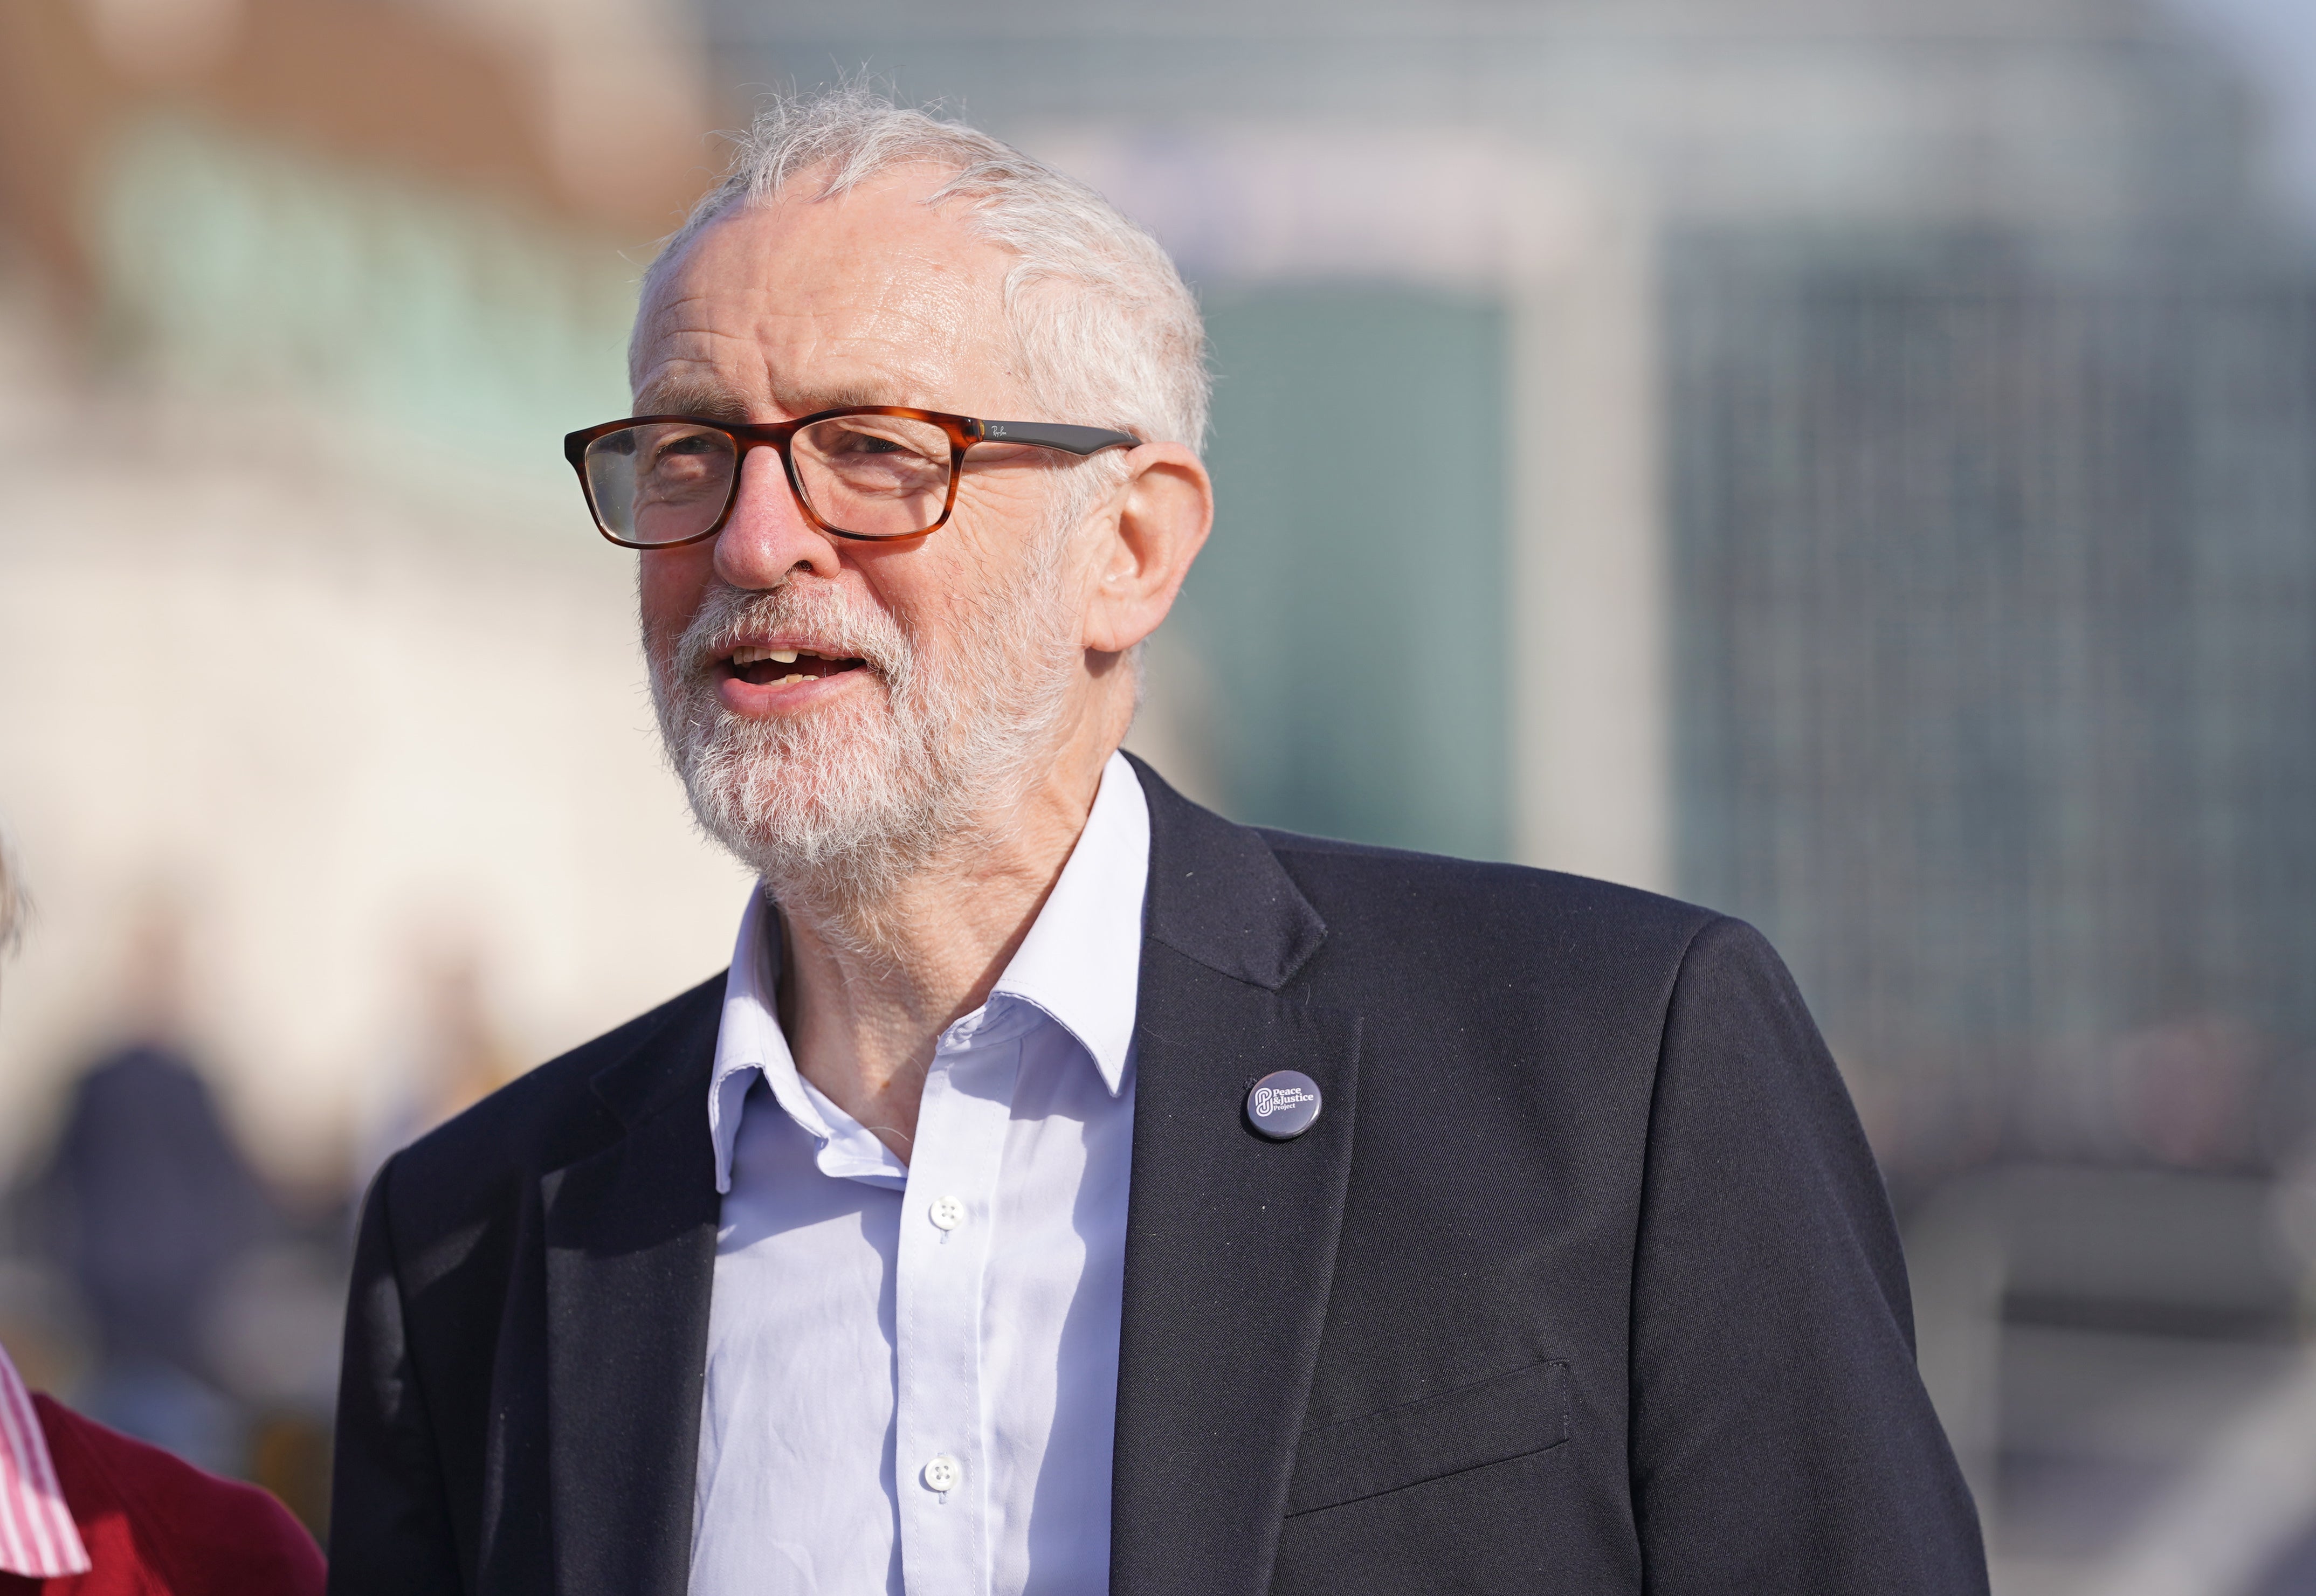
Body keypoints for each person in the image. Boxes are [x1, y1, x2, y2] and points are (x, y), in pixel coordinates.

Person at [328, 88, 1987, 1595]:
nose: (758, 539)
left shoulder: (1611, 1071)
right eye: (691, 450)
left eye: (874, 453)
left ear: (1127, 545)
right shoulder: (477, 1242)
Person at [0, 835, 324, 1595]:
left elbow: (241, 1191)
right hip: (111, 1330)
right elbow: (44, 1186)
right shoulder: (97, 1077)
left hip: (183, 1342)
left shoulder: (232, 1556)